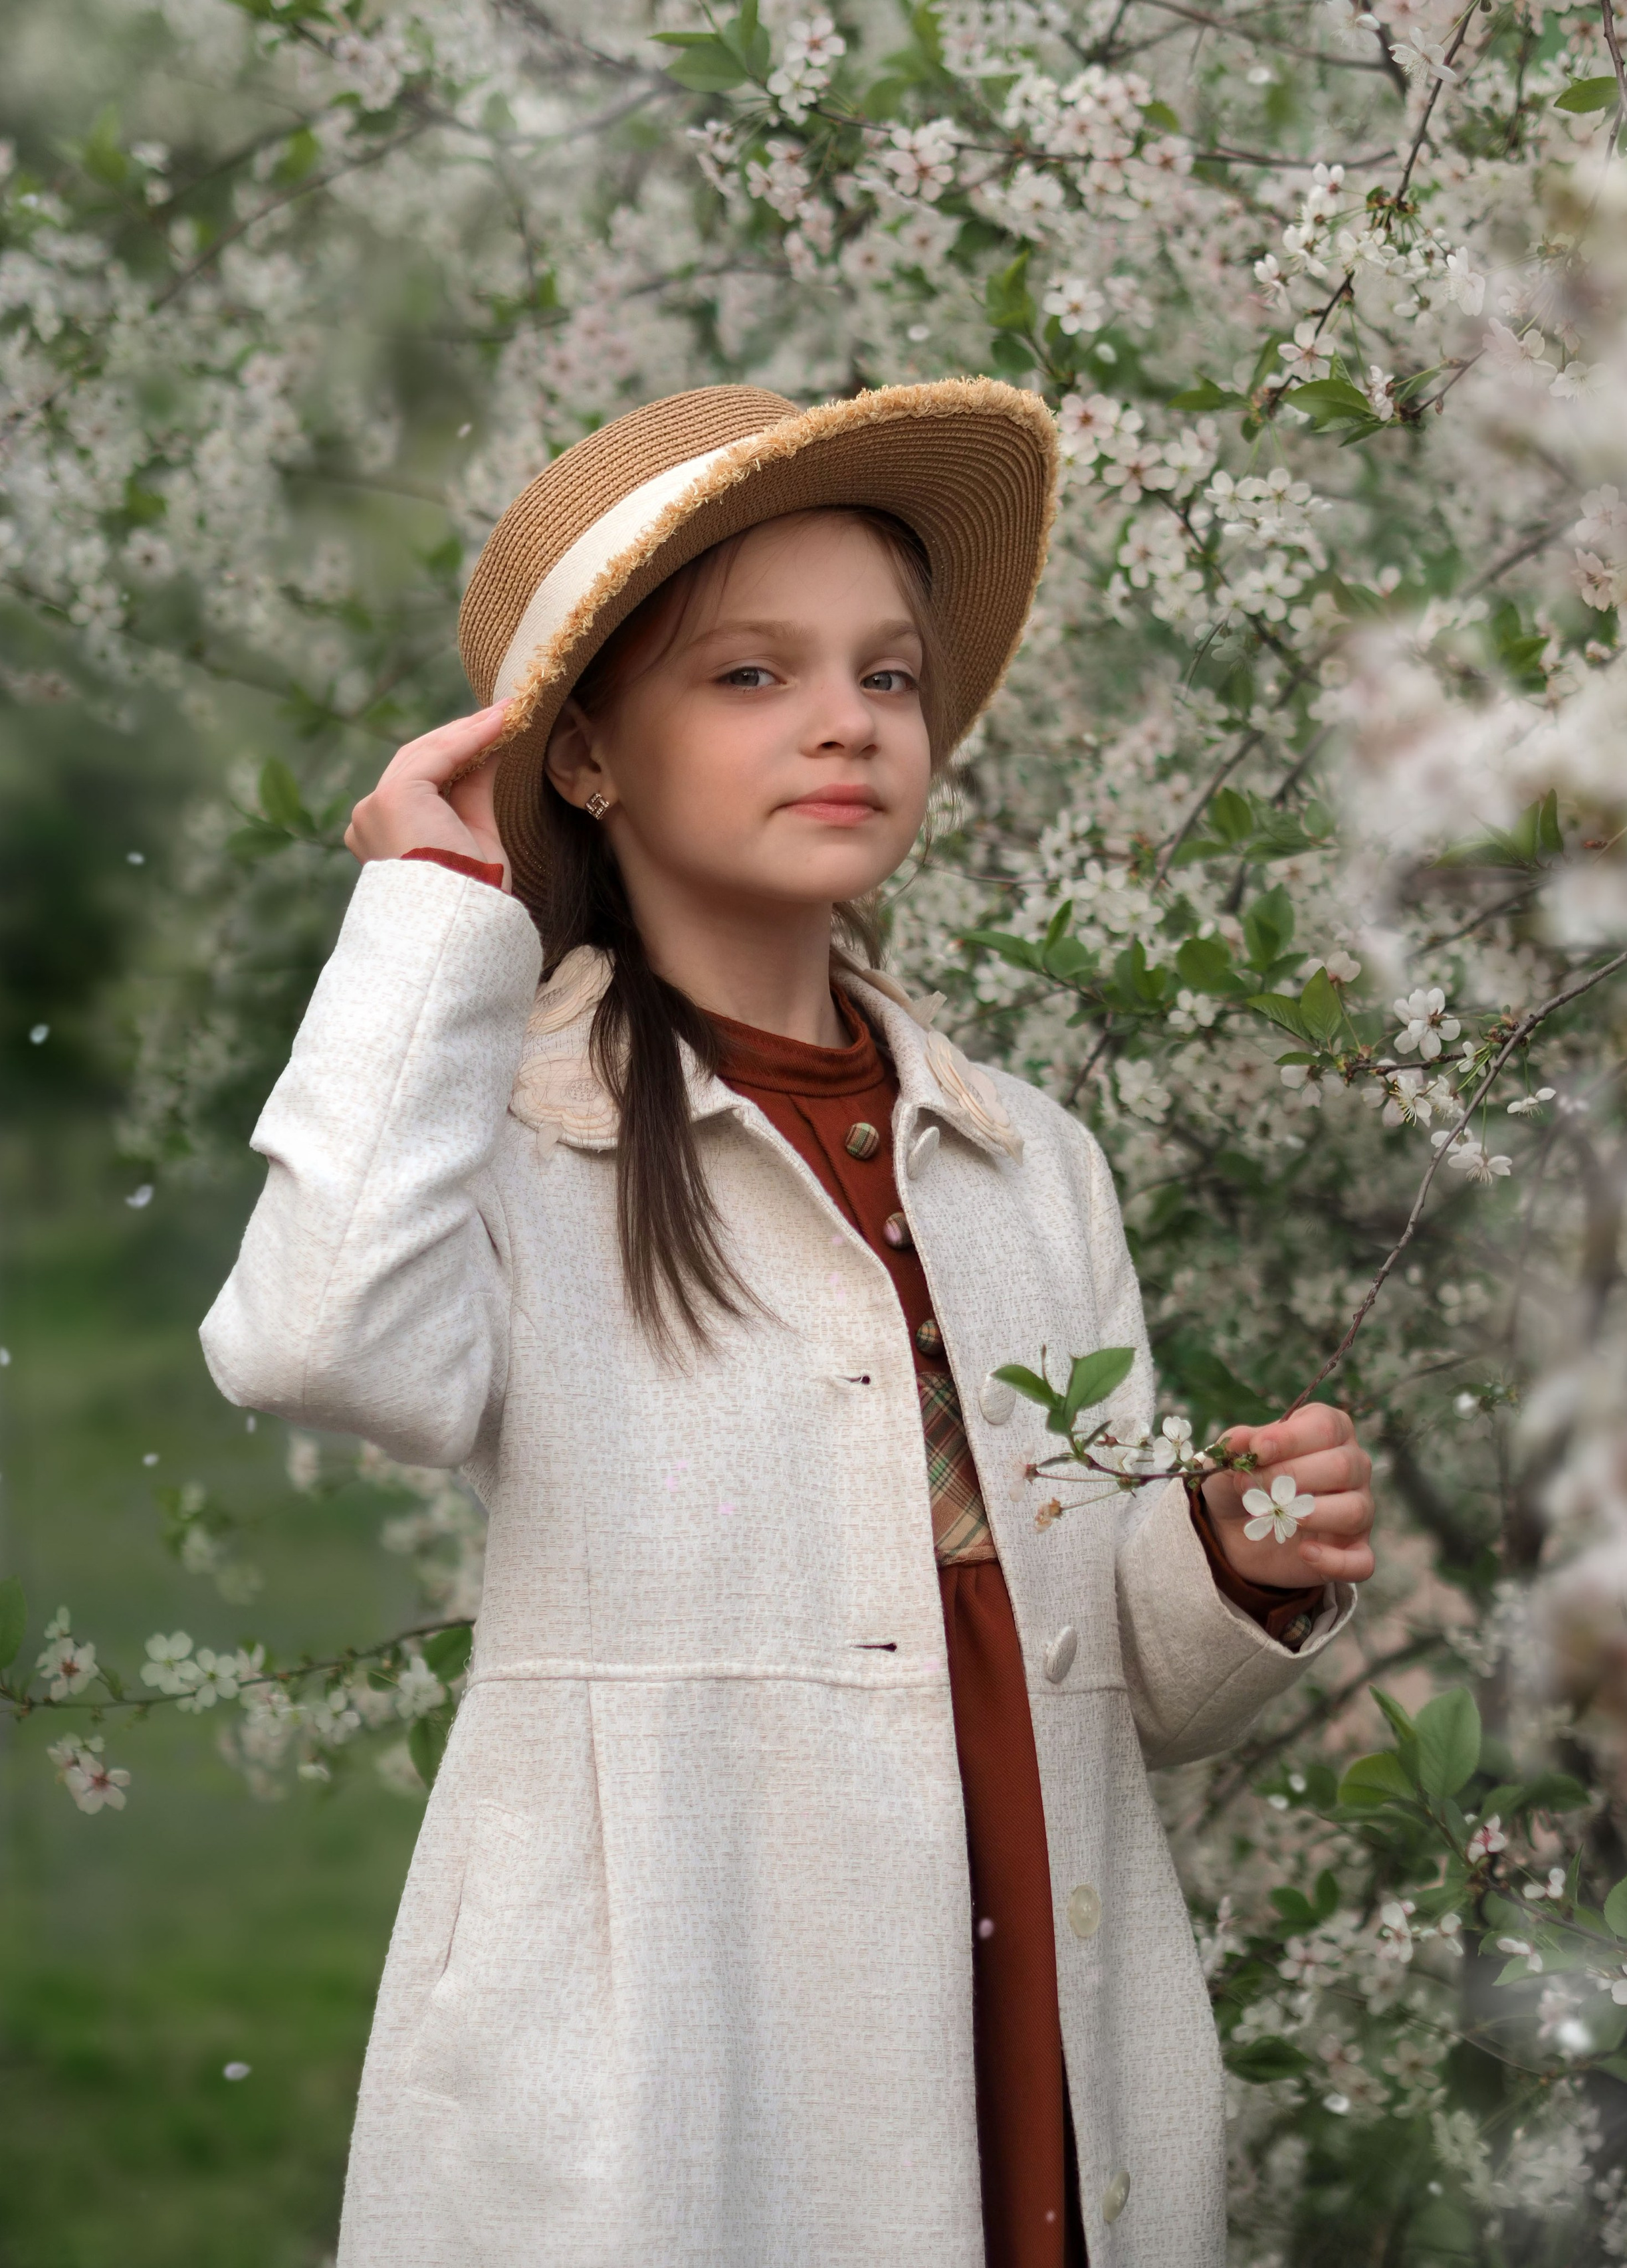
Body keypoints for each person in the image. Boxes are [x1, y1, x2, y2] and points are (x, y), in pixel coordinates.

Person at [201, 380, 1375, 2268]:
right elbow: (308, 1344)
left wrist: (1236, 1559)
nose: (845, 720)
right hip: (684, 2028)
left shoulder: (1027, 1163)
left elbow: (1119, 1676)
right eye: (750, 676)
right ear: (586, 754)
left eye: (887, 677)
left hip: (1043, 2019)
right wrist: (428, 915)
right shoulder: (501, 1124)